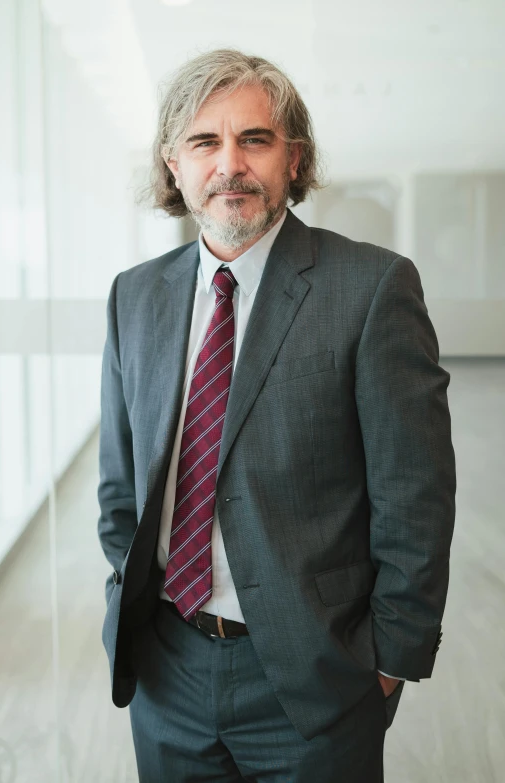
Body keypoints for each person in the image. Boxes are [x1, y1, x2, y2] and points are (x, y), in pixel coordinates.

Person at [97, 48, 456, 782]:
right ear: (174, 164)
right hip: (168, 669)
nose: (229, 163)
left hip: (313, 676)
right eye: (204, 142)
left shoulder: (370, 286)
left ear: (294, 159)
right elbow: (119, 490)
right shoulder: (134, 296)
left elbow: (413, 494)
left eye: (253, 139)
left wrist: (389, 659)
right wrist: (126, 604)